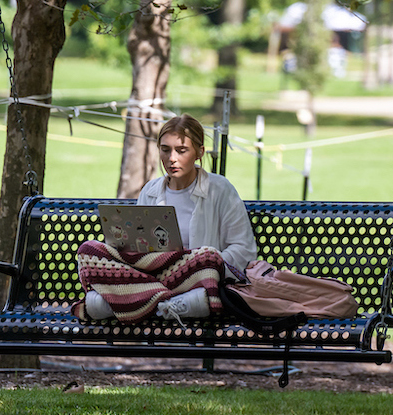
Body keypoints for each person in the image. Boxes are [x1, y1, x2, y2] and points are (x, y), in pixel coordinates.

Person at [72, 114, 258, 324]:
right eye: (165, 149)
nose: (172, 158)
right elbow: (138, 251)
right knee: (88, 250)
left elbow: (244, 249)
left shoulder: (220, 189)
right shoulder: (150, 191)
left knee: (207, 256)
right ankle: (165, 303)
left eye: (181, 150)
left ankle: (131, 302)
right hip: (153, 275)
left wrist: (206, 266)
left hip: (198, 277)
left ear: (199, 152)